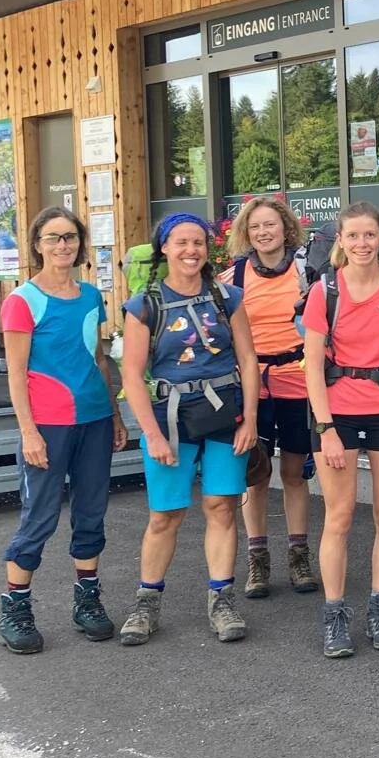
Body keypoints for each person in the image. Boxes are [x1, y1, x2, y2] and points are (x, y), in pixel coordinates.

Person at [118, 212, 260, 646]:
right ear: (164, 247)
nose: (191, 250)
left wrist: (251, 420)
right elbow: (132, 375)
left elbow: (248, 359)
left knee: (222, 507)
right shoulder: (145, 305)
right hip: (169, 418)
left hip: (224, 414)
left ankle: (222, 600)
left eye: (197, 242)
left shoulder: (227, 297)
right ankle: (147, 602)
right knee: (165, 514)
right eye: (181, 242)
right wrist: (151, 434)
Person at [0, 207, 128, 654]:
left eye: (69, 237)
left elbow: (99, 359)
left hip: (94, 420)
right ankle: (16, 606)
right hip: (48, 425)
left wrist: (115, 415)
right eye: (53, 238)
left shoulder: (91, 296)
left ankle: (87, 600)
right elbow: (16, 375)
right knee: (40, 516)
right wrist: (28, 432)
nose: (62, 245)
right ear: (38, 244)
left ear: (80, 243)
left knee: (91, 512)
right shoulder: (22, 300)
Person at [304, 201, 379, 657]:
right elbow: (312, 366)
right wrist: (326, 429)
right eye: (353, 236)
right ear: (340, 240)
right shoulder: (325, 291)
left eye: (370, 235)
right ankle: (334, 615)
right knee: (338, 516)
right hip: (336, 413)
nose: (362, 243)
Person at [221, 196, 318, 598]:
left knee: (294, 473)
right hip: (253, 387)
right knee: (256, 475)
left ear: (286, 228)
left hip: (298, 381)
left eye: (270, 224)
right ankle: (257, 562)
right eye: (256, 226)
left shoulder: (306, 270)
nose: (263, 232)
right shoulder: (233, 277)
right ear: (246, 233)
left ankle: (299, 557)